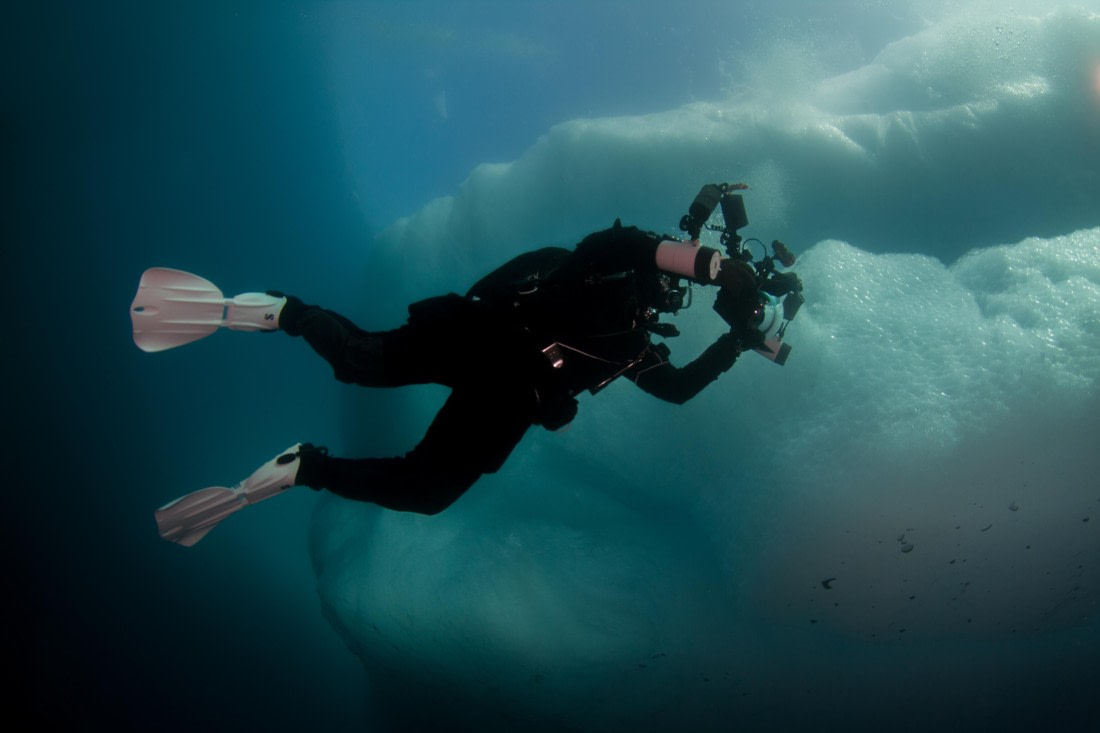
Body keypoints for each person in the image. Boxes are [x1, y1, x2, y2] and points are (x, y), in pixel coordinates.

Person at [139, 219, 764, 546]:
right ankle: (282, 312)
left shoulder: (632, 346)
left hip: (511, 398)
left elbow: (678, 388)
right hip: (482, 334)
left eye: (679, 291)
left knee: (429, 491)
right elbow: (615, 240)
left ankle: (305, 468)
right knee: (359, 361)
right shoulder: (605, 268)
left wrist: (737, 341)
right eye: (676, 279)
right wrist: (713, 264)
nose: (670, 294)